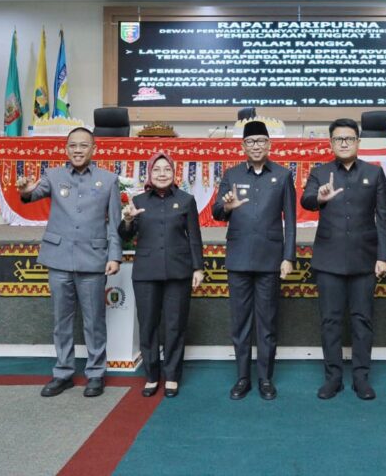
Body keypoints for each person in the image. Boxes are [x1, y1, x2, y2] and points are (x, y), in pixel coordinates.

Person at [17, 127, 121, 398]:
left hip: (93, 260)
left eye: (83, 145)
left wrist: (114, 256)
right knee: (61, 321)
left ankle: (95, 373)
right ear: (66, 149)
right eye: (73, 145)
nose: (77, 150)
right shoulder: (53, 176)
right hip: (59, 258)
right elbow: (31, 195)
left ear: (93, 149)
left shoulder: (108, 180)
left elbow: (114, 224)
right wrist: (26, 192)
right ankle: (63, 373)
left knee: (94, 321)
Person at [301, 118, 386, 400]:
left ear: (358, 142)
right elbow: (306, 201)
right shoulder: (320, 172)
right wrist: (320, 197)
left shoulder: (374, 173)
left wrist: (384, 256)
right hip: (329, 260)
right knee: (330, 322)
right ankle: (333, 379)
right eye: (338, 139)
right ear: (331, 143)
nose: (344, 143)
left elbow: (383, 218)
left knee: (362, 321)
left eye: (349, 139)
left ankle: (361, 378)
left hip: (364, 260)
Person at [213, 121, 296, 401]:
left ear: (269, 144)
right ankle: (242, 378)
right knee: (240, 323)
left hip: (270, 259)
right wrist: (226, 206)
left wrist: (288, 257)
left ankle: (265, 379)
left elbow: (290, 221)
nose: (256, 146)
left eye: (261, 141)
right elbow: (217, 212)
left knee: (267, 322)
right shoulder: (232, 174)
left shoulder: (282, 175)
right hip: (238, 258)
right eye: (251, 141)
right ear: (243, 146)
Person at [119, 151, 204, 398]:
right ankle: (152, 375)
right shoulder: (138, 200)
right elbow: (126, 235)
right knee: (148, 325)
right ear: (149, 173)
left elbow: (194, 237)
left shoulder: (186, 200)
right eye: (157, 169)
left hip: (179, 271)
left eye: (167, 169)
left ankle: (172, 376)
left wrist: (198, 268)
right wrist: (127, 220)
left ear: (174, 173)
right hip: (146, 272)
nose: (162, 174)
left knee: (175, 325)